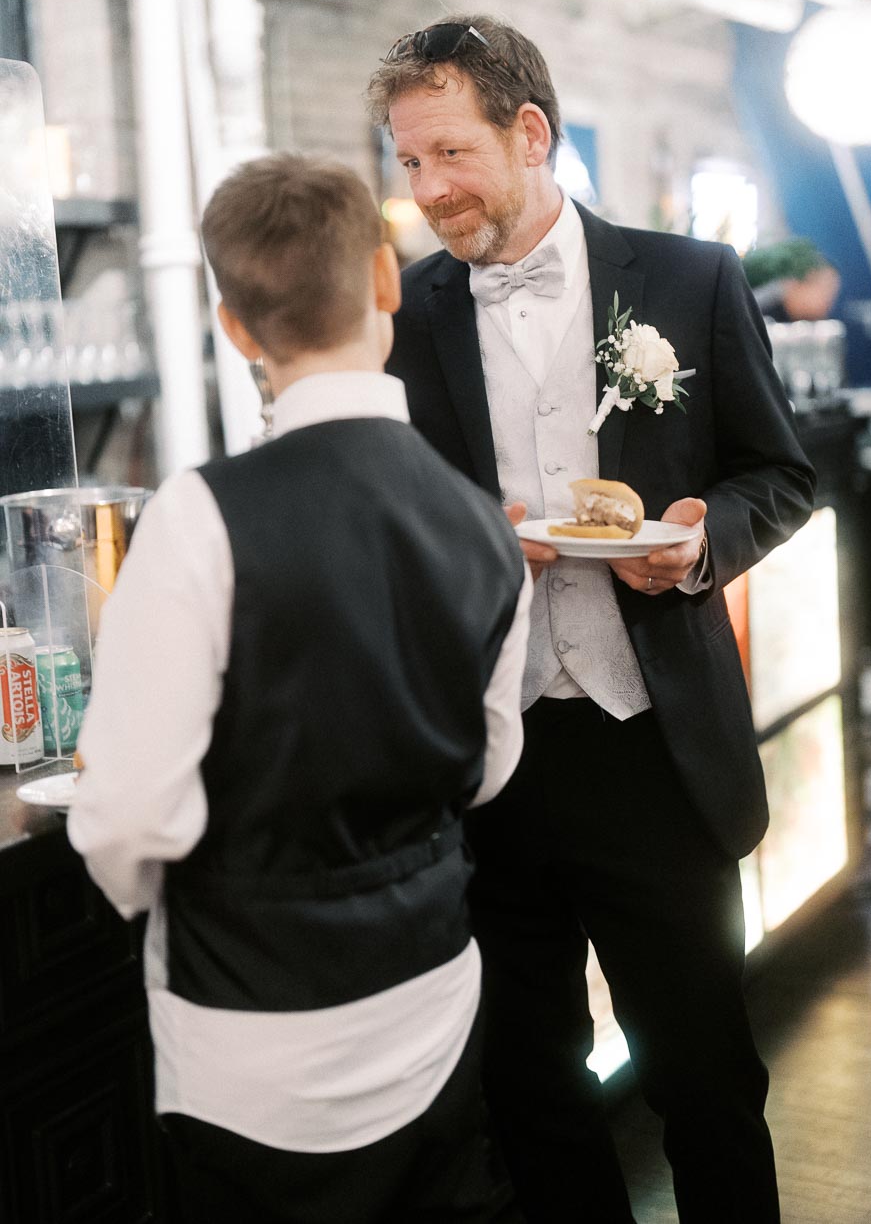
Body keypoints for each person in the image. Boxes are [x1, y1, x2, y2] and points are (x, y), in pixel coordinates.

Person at [367, 16, 817, 1224]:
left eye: (449, 154)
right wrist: (461, 539)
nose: (430, 190)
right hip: (492, 756)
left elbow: (782, 474)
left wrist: (698, 540)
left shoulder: (690, 280)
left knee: (709, 1082)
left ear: (531, 133)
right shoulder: (405, 317)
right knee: (531, 1093)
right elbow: (394, 520)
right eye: (408, 163)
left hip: (652, 746)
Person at [67, 153, 533, 1224]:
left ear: (235, 332)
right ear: (384, 280)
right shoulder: (482, 522)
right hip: (431, 994)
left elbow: (130, 812)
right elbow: (490, 765)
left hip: (253, 1022)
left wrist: (192, 899)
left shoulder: (199, 516)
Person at [743, 237, 841, 322]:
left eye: (832, 292)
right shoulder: (759, 322)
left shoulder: (823, 330)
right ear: (794, 284)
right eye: (823, 289)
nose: (828, 301)